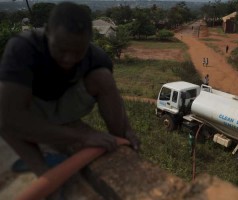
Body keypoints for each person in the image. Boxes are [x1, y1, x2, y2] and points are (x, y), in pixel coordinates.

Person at [0, 1, 139, 182]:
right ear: (48, 32)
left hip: (63, 108)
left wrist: (126, 128)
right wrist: (82, 137)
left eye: (78, 52)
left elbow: (114, 96)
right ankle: (43, 173)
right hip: (32, 109)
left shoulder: (96, 57)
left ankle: (121, 143)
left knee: (104, 77)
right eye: (61, 50)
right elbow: (8, 117)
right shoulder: (23, 47)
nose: (69, 59)